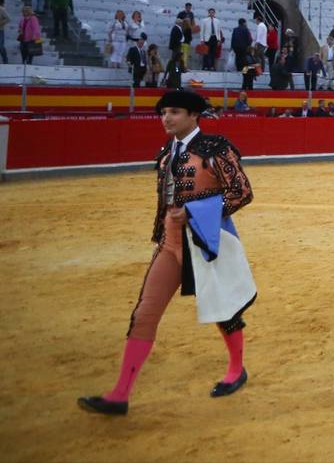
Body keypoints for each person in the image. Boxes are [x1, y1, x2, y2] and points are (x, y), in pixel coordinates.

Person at [78, 90, 256, 415]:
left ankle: (236, 368)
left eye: (174, 112)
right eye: (163, 112)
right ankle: (120, 394)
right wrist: (165, 232)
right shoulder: (165, 153)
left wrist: (194, 212)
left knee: (223, 311)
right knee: (145, 312)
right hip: (171, 243)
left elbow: (242, 192)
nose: (166, 118)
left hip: (205, 241)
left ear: (192, 116)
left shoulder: (215, 149)